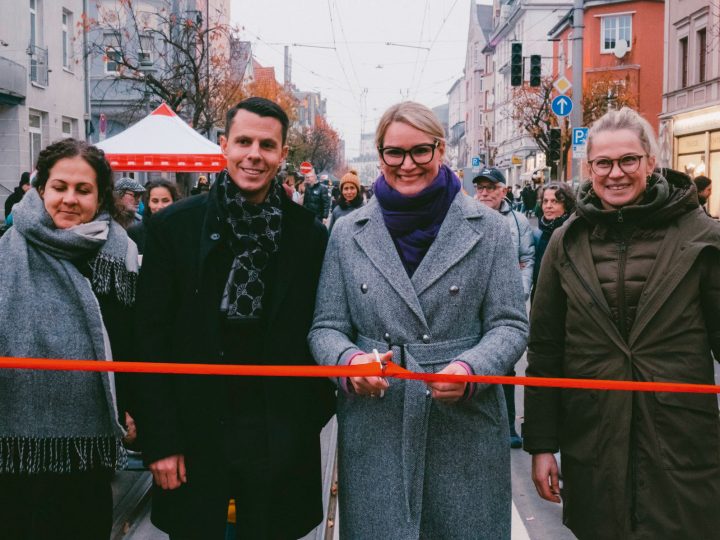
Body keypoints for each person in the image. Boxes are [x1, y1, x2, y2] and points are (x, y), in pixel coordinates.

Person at [309, 101, 529, 539]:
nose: (407, 164)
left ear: (440, 150)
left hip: (463, 424)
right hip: (378, 424)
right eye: (394, 152)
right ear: (380, 153)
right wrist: (351, 364)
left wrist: (471, 369)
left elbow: (510, 324)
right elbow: (326, 327)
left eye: (420, 151)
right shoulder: (349, 232)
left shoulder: (487, 228)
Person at [132, 97, 335, 540]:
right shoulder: (174, 228)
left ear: (283, 154)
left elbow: (325, 326)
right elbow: (149, 337)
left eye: (267, 145)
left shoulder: (308, 235)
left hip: (277, 430)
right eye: (243, 141)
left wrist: (304, 419)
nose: (254, 155)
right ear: (224, 145)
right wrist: (161, 440)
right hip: (194, 425)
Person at [524, 107, 720, 539]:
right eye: (604, 163)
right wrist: (541, 445)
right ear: (588, 168)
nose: (616, 173)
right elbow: (545, 349)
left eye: (628, 160)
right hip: (595, 441)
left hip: (681, 443)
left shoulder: (701, 236)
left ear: (651, 162)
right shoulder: (566, 241)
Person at [0, 138, 138, 540]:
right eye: (59, 187)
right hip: (13, 444)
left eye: (83, 190)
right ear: (42, 188)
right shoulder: (5, 252)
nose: (69, 199)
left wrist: (130, 406)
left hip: (89, 444)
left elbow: (129, 337)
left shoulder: (121, 252)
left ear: (100, 196)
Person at [473, 167, 534, 449]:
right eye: (481, 187)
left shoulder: (518, 222)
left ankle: (508, 424)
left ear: (503, 191)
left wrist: (518, 295)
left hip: (505, 304)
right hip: (474, 304)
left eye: (490, 187)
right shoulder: (466, 216)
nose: (484, 192)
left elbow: (526, 259)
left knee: (505, 367)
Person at [531, 181, 576, 293]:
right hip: (540, 294)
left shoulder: (574, 231)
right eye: (545, 201)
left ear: (566, 205)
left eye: (554, 201)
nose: (548, 206)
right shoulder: (538, 233)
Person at [127, 180, 181, 254]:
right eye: (155, 201)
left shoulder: (185, 231)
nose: (160, 206)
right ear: (148, 203)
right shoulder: (134, 232)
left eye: (165, 201)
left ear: (174, 202)